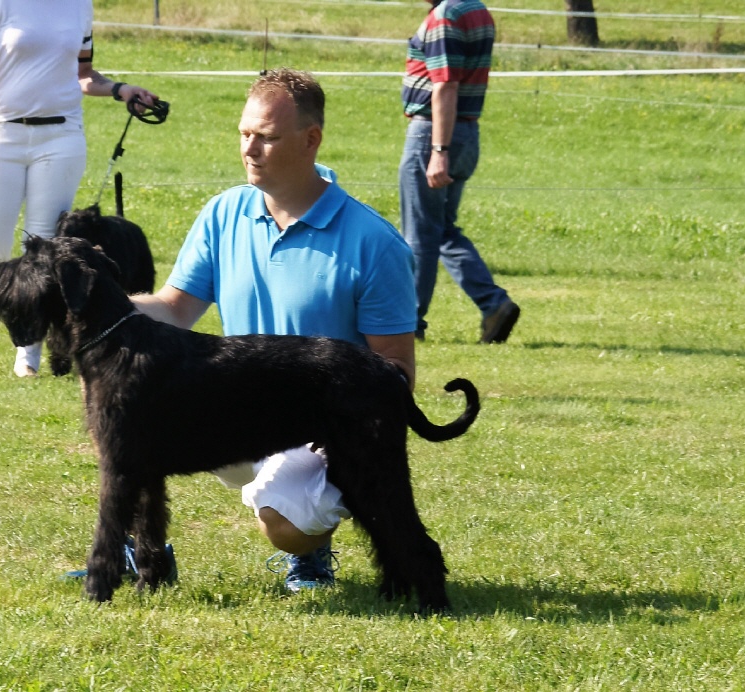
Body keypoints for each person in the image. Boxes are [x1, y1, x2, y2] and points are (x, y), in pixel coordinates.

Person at [130, 69, 419, 592]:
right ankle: (141, 552)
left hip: (321, 427)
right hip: (240, 411)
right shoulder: (223, 214)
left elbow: (395, 370)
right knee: (129, 421)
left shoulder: (375, 244)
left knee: (282, 523)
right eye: (245, 134)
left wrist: (342, 449)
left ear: (311, 140)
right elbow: (174, 310)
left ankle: (310, 551)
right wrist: (106, 308)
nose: (250, 148)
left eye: (266, 136)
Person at [0, 0, 158, 376]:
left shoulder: (79, 5)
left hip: (61, 136)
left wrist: (121, 89)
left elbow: (84, 75)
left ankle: (27, 352)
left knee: (46, 247)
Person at [399, 0, 520, 344]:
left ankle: (409, 324)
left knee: (420, 234)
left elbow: (446, 84)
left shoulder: (445, 15)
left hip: (435, 135)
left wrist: (439, 151)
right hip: (466, 131)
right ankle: (494, 304)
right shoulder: (476, 10)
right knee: (443, 230)